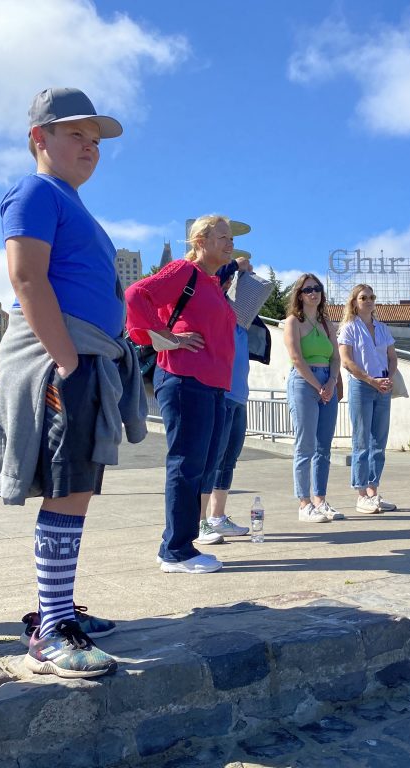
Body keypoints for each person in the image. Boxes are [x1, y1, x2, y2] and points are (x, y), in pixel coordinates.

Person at [0, 87, 147, 678]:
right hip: (65, 359)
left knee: (76, 486)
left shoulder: (73, 203)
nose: (90, 147)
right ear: (40, 139)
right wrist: (69, 362)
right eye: (75, 134)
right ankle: (52, 629)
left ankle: (50, 609)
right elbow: (27, 277)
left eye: (95, 139)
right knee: (68, 488)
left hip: (87, 357)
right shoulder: (34, 190)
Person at [126, 215, 236, 573]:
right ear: (200, 241)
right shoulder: (182, 271)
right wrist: (168, 336)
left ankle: (180, 544)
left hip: (213, 385)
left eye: (230, 238)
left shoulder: (213, 283)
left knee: (202, 466)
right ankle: (176, 550)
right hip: (185, 379)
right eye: (222, 237)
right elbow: (136, 294)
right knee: (186, 465)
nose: (229, 243)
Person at [196, 257, 270, 543]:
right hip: (219, 392)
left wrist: (243, 273)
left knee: (228, 459)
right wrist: (235, 265)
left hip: (238, 394)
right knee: (210, 459)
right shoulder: (217, 308)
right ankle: (199, 521)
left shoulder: (242, 320)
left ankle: (217, 517)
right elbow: (214, 280)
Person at [284, 274, 342, 522]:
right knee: (305, 445)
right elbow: (296, 358)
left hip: (327, 382)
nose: (313, 293)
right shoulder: (292, 322)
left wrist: (330, 382)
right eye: (308, 289)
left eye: (317, 288)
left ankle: (320, 500)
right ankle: (304, 503)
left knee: (323, 447)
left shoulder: (327, 323)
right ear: (299, 294)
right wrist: (318, 384)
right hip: (304, 383)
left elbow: (336, 358)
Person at [338, 284, 399, 514]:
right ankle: (361, 493)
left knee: (379, 443)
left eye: (372, 297)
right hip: (362, 386)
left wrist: (388, 379)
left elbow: (392, 357)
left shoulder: (382, 328)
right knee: (361, 441)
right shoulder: (349, 328)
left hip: (383, 386)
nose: (369, 301)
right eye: (364, 297)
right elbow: (346, 361)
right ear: (354, 301)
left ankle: (373, 490)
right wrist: (370, 380)